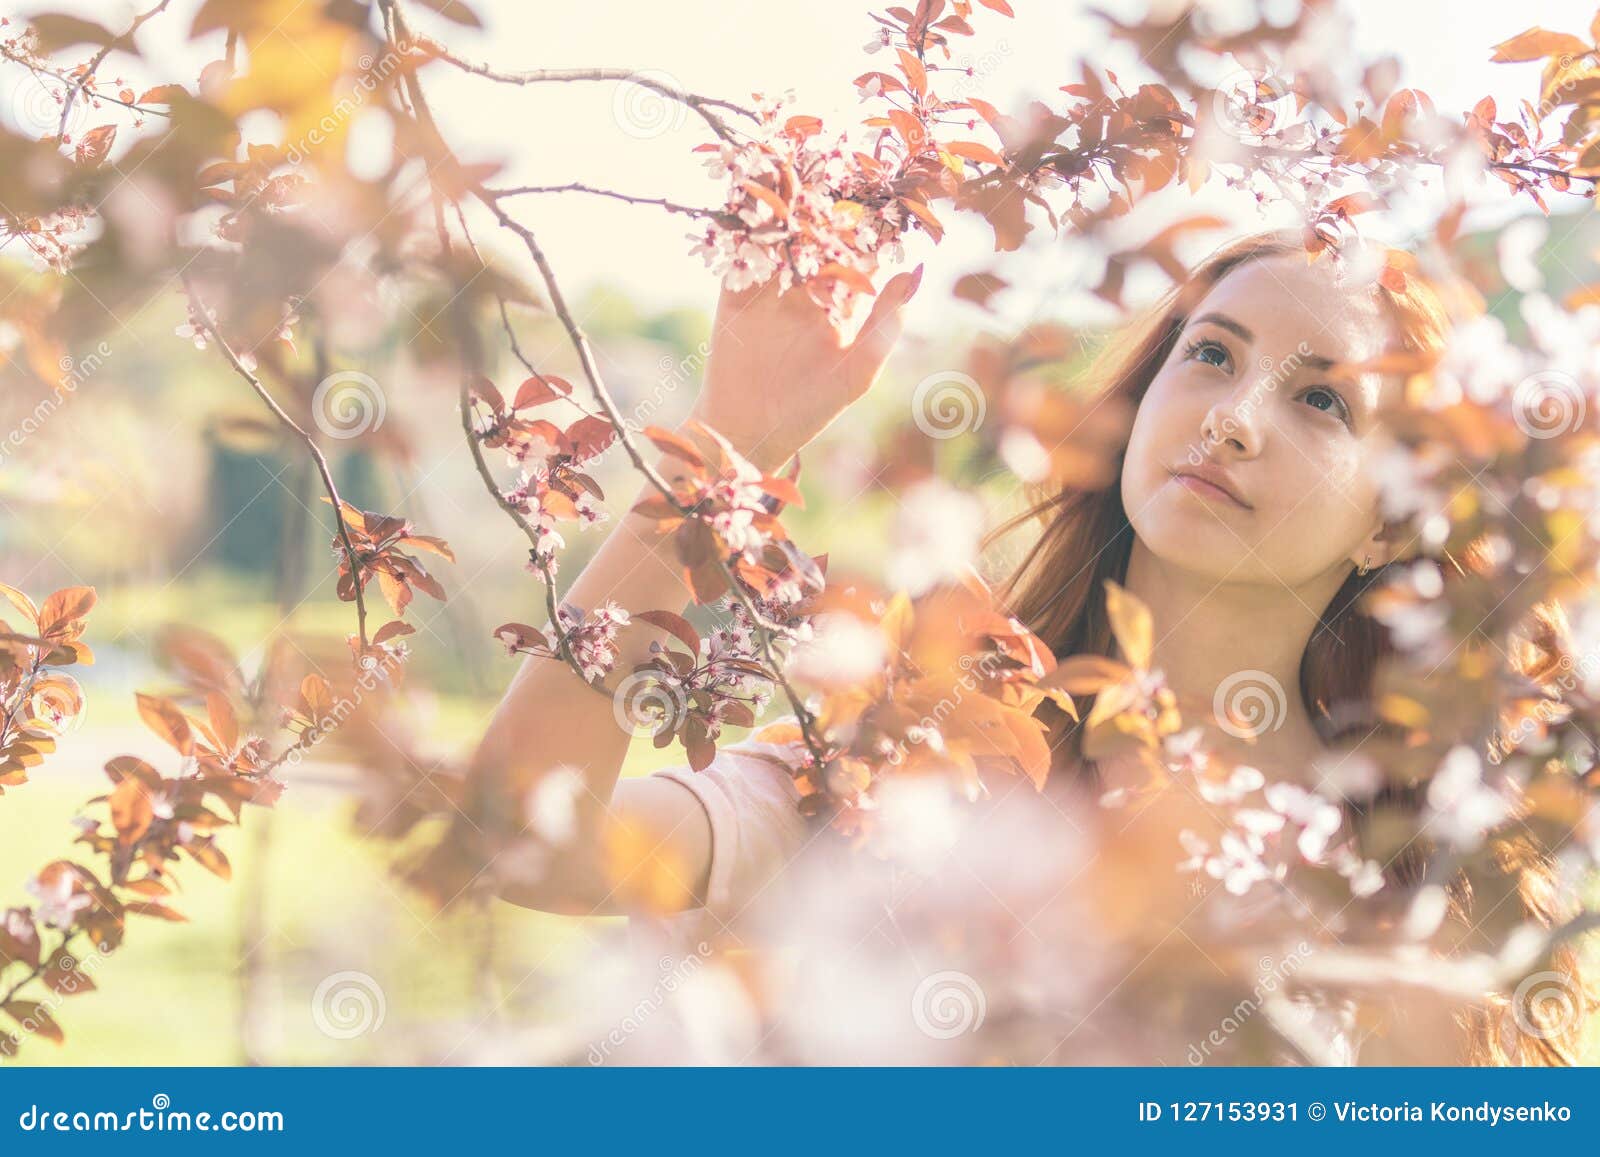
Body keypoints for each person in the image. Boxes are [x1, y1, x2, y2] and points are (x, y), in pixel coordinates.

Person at [468, 231, 1587, 1064]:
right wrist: (716, 455)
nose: (1233, 417)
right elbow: (517, 842)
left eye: (1322, 399)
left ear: (1393, 517)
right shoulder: (929, 735)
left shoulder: (1415, 854)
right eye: (1209, 354)